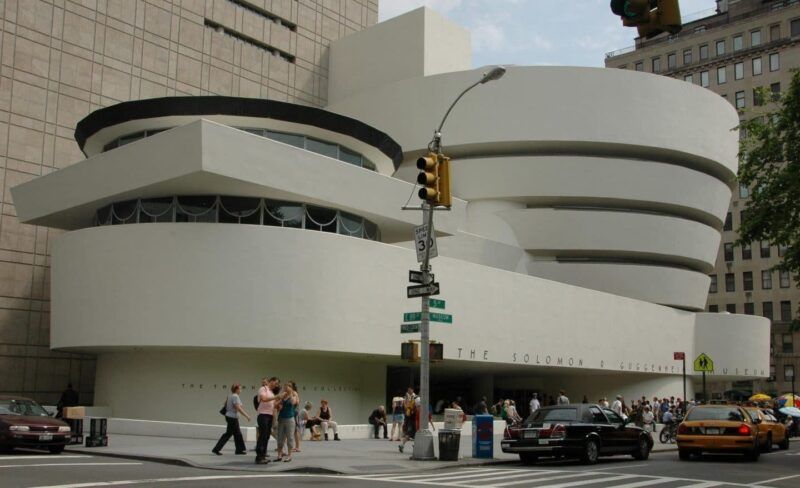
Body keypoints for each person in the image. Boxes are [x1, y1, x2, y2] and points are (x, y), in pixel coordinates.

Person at [213, 383, 251, 456]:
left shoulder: (230, 396)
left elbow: (225, 404)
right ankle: (217, 449)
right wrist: (246, 416)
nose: (241, 390)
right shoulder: (235, 397)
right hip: (232, 418)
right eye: (240, 389)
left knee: (235, 434)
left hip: (229, 417)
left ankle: (239, 450)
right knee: (233, 434)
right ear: (236, 389)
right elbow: (238, 408)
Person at [254, 377, 280, 464]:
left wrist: (279, 400)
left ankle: (263, 455)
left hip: (269, 415)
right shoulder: (263, 389)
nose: (276, 385)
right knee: (263, 435)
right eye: (275, 383)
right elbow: (264, 399)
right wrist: (276, 396)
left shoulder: (271, 392)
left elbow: (273, 404)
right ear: (271, 381)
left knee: (267, 436)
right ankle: (259, 456)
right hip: (263, 415)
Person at [276, 383, 299, 462]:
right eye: (285, 386)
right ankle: (279, 454)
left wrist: (291, 393)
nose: (286, 388)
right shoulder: (283, 396)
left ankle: (289, 455)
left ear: (291, 388)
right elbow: (275, 405)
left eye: (288, 386)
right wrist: (280, 399)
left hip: (290, 419)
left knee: (290, 438)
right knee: (280, 437)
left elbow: (293, 402)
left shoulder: (293, 396)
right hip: (281, 418)